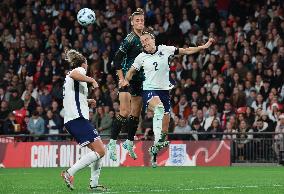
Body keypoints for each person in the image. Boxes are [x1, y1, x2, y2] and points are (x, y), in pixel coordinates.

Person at [125, 27, 215, 167]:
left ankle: (154, 151)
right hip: (149, 90)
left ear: (153, 39)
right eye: (142, 41)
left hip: (164, 92)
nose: (145, 43)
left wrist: (203, 46)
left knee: (164, 133)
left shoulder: (164, 49)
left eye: (146, 40)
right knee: (159, 108)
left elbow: (185, 51)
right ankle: (155, 144)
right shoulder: (141, 57)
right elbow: (130, 72)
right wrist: (126, 80)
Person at [61, 49, 106, 191]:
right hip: (77, 119)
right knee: (101, 150)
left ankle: (93, 184)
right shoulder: (78, 70)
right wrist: (92, 79)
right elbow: (74, 73)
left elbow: (72, 98)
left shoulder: (71, 80)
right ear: (84, 64)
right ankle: (69, 173)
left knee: (97, 152)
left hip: (73, 119)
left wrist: (87, 100)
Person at [107, 8, 145, 161]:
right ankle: (111, 143)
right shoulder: (129, 39)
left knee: (135, 114)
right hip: (127, 79)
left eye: (142, 20)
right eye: (137, 20)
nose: (140, 22)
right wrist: (122, 78)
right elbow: (116, 60)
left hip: (140, 80)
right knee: (124, 111)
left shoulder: (146, 38)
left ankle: (129, 142)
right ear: (131, 23)